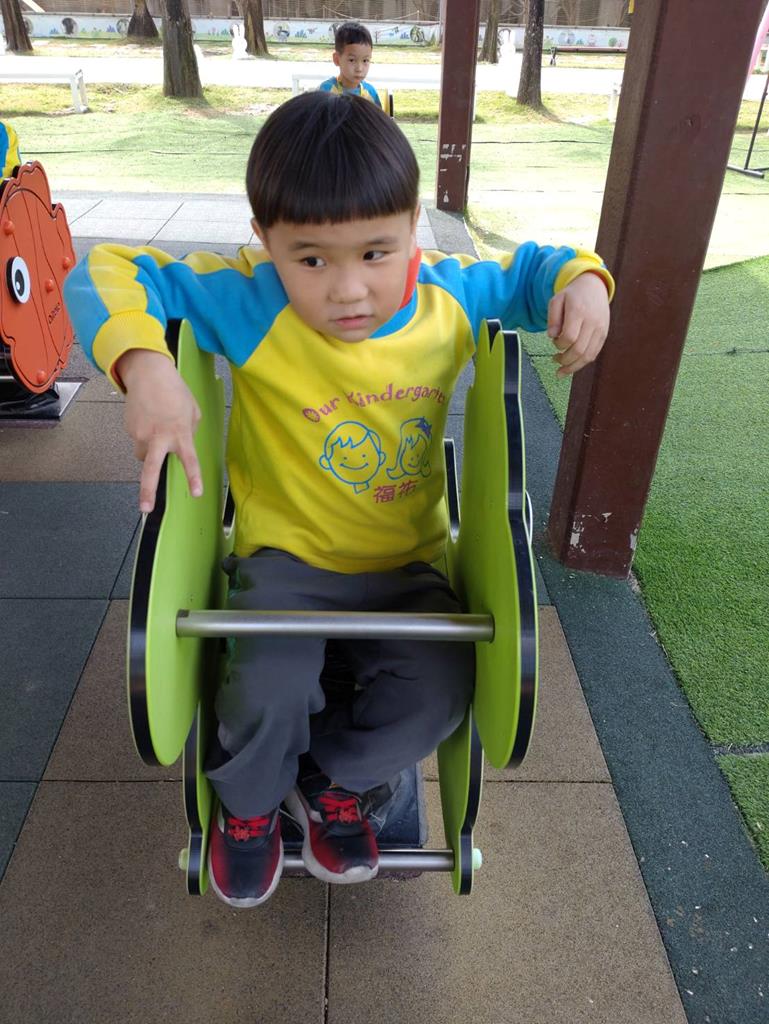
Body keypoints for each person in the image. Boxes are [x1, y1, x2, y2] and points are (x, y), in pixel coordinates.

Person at [63, 91, 613, 909]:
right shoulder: (252, 301)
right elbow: (105, 270)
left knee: (440, 689)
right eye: (312, 260)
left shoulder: (449, 297)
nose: (349, 289)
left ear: (414, 227)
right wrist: (143, 364)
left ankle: (335, 783)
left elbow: (537, 271)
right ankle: (249, 804)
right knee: (266, 686)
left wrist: (584, 282)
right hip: (286, 559)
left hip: (406, 563)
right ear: (265, 241)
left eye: (376, 252)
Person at [319, 21, 381, 107]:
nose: (359, 69)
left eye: (365, 60)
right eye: (352, 60)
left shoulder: (371, 93)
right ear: (337, 59)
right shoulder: (326, 91)